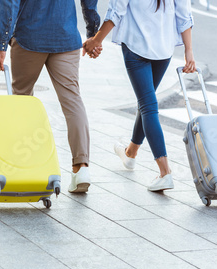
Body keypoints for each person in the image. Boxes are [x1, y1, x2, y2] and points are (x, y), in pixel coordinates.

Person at [0, 0, 100, 193]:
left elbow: (9, 2)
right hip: (66, 37)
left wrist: (1, 45)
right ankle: (81, 168)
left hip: (29, 38)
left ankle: (25, 167)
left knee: (22, 100)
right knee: (73, 102)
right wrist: (93, 34)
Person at [83, 0, 196, 191]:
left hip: (136, 47)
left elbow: (116, 11)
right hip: (163, 49)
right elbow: (184, 15)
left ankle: (165, 173)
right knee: (146, 101)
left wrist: (96, 40)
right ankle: (130, 153)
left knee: (148, 105)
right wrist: (189, 51)